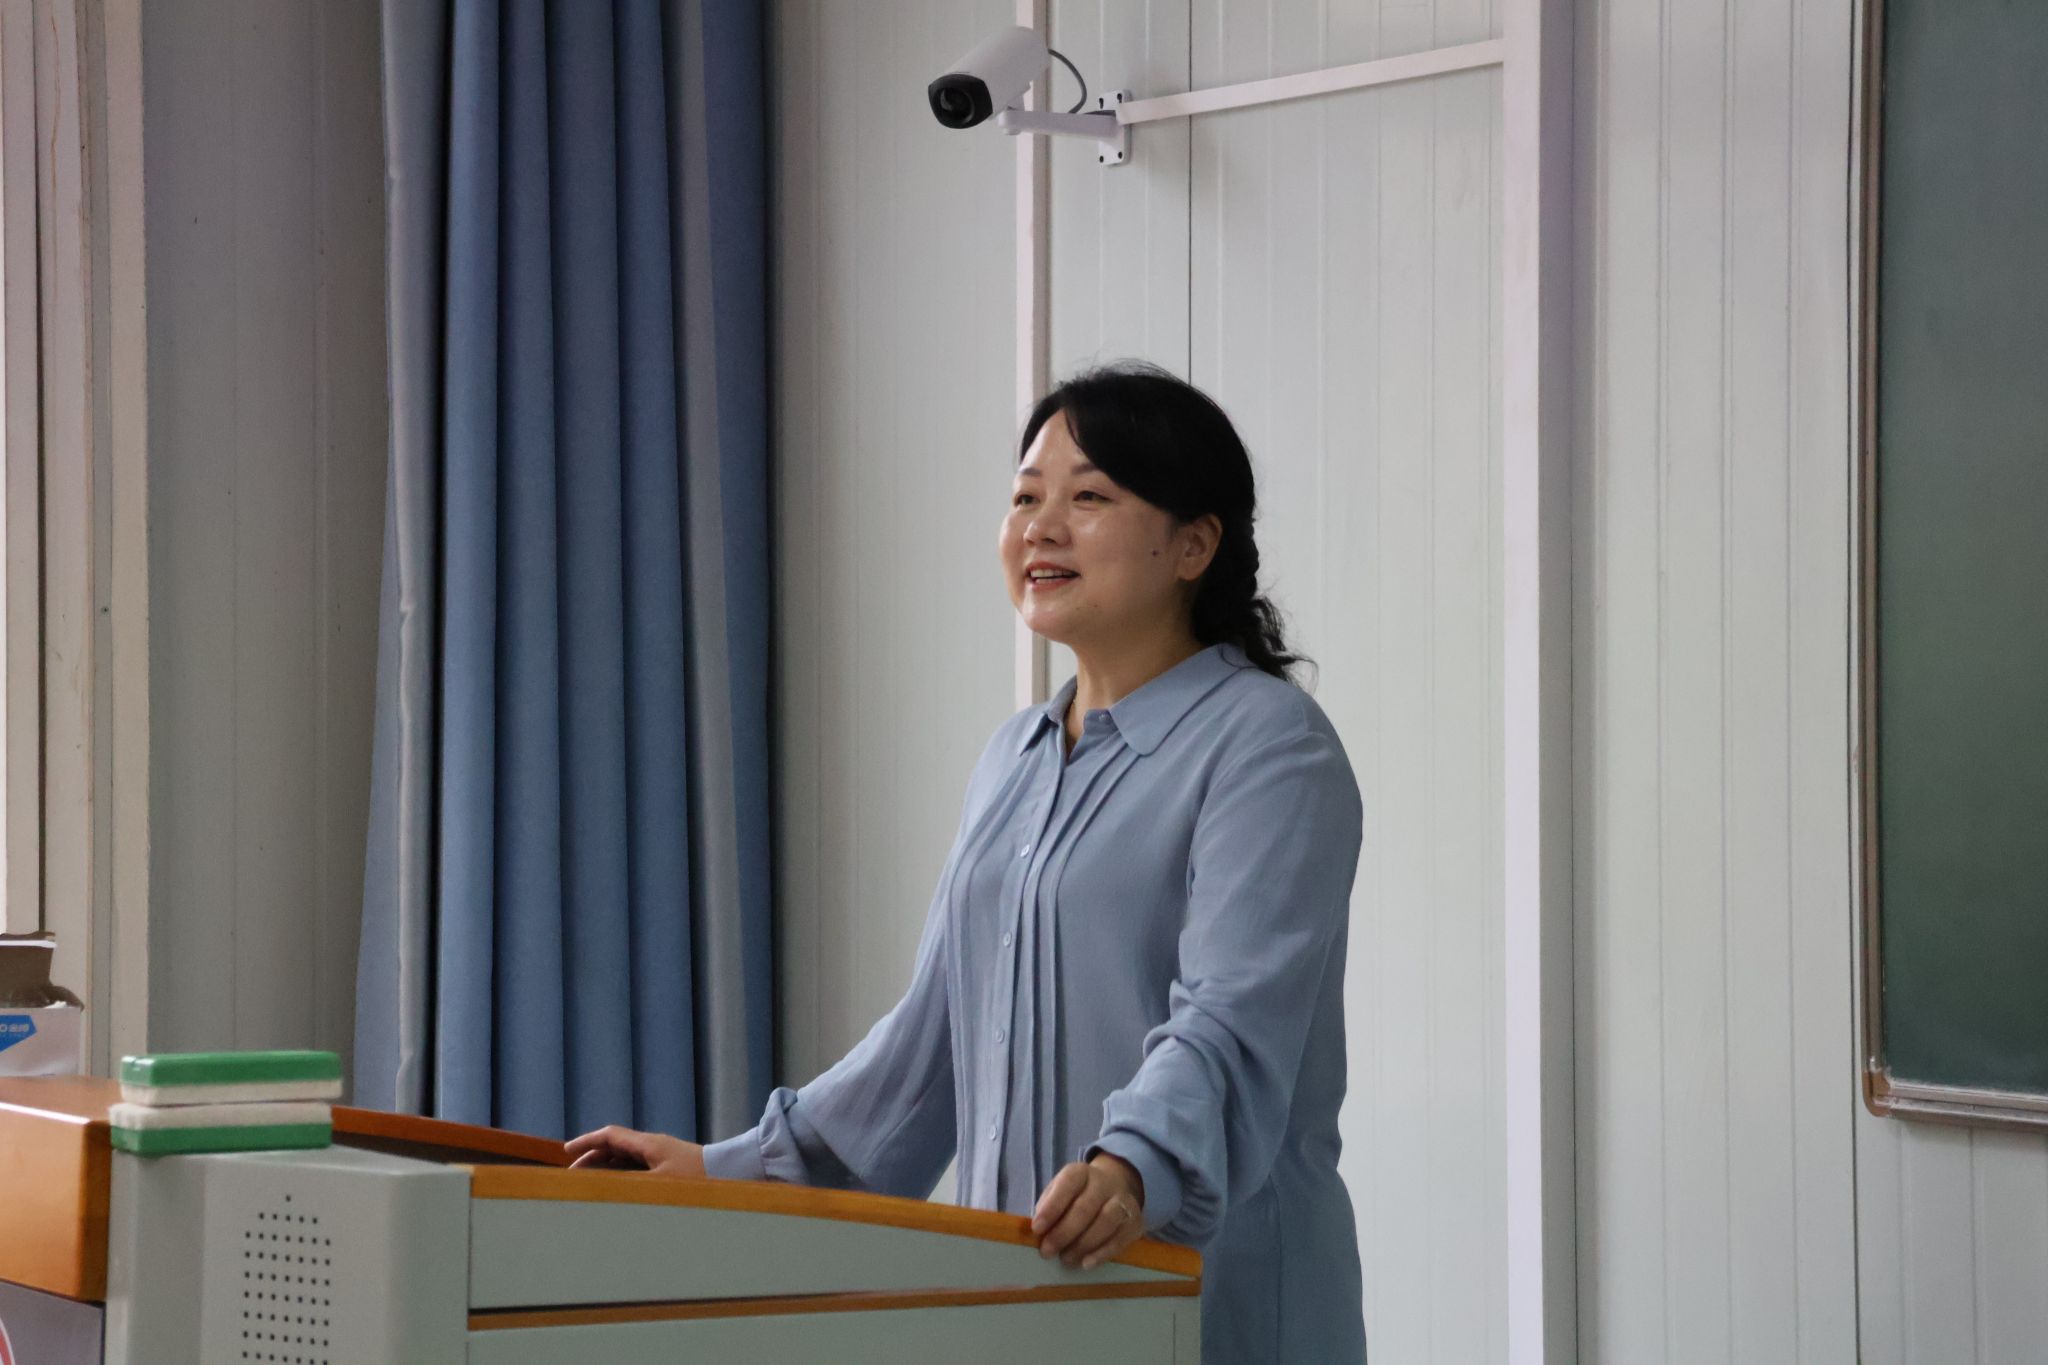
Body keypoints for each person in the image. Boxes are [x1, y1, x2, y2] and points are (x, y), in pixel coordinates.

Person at [567, 361, 1367, 1361]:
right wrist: (727, 1170)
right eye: (1025, 498)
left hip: (1218, 1314)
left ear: (1194, 544)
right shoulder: (1013, 757)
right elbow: (927, 1052)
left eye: (1088, 498)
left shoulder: (1269, 745)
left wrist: (1129, 1167)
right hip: (1022, 1306)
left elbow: (1228, 1021)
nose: (1041, 527)